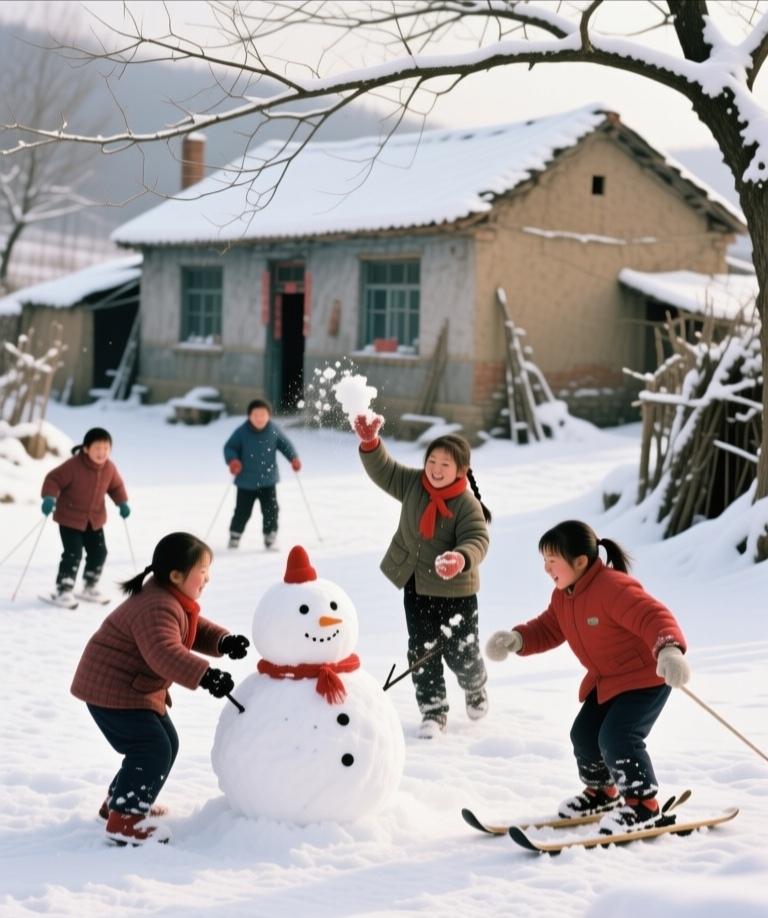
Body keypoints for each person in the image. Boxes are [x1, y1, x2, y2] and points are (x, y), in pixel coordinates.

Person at [486, 519, 691, 835]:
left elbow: (653, 615)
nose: (546, 568)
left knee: (618, 738)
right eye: (544, 560)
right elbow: (549, 628)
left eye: (552, 560)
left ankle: (643, 804)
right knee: (583, 735)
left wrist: (669, 650)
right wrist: (518, 639)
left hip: (644, 678)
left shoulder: (613, 588)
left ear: (580, 561)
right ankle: (602, 792)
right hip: (607, 680)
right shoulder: (564, 596)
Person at [71, 531, 250, 845]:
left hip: (129, 688)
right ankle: (124, 821)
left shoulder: (169, 599)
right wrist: (206, 676)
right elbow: (164, 652)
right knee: (152, 747)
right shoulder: (156, 607)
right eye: (203, 572)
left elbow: (192, 628)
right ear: (177, 575)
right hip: (112, 690)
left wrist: (223, 641)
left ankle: (121, 802)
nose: (207, 579)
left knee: (165, 741)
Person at [354, 412, 491, 739]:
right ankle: (433, 710)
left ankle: (475, 686)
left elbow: (478, 539)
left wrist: (460, 558)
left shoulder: (466, 505)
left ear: (462, 471)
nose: (436, 469)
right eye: (432, 460)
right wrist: (371, 443)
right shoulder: (414, 484)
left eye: (446, 464)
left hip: (457, 592)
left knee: (462, 653)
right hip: (417, 587)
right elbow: (384, 471)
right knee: (421, 650)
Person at [40, 427, 130, 606]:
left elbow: (116, 487)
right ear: (86, 448)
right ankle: (63, 589)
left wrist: (122, 503)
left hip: (94, 520)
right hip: (69, 518)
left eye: (106, 449)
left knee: (99, 552)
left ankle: (90, 585)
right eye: (97, 448)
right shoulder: (73, 466)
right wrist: (49, 497)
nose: (102, 453)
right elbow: (53, 479)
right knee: (73, 553)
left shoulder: (109, 468)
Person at [223, 398, 301, 550]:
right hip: (246, 481)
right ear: (249, 416)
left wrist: (294, 458)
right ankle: (235, 535)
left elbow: (286, 445)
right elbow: (229, 448)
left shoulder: (273, 430)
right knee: (242, 511)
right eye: (256, 415)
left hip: (268, 481)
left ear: (269, 416)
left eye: (263, 415)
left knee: (271, 510)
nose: (259, 419)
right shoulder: (241, 432)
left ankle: (270, 536)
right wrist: (233, 461)